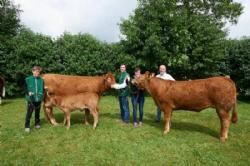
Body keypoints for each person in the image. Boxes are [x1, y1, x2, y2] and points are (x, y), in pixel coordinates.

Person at [24, 66, 44, 133]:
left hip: (38, 99)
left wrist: (44, 89)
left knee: (37, 112)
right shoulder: (28, 79)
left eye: (38, 72)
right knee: (29, 113)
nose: (37, 73)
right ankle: (27, 126)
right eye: (36, 71)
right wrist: (28, 92)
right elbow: (24, 88)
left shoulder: (41, 80)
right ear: (32, 71)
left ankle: (37, 124)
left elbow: (42, 88)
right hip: (31, 99)